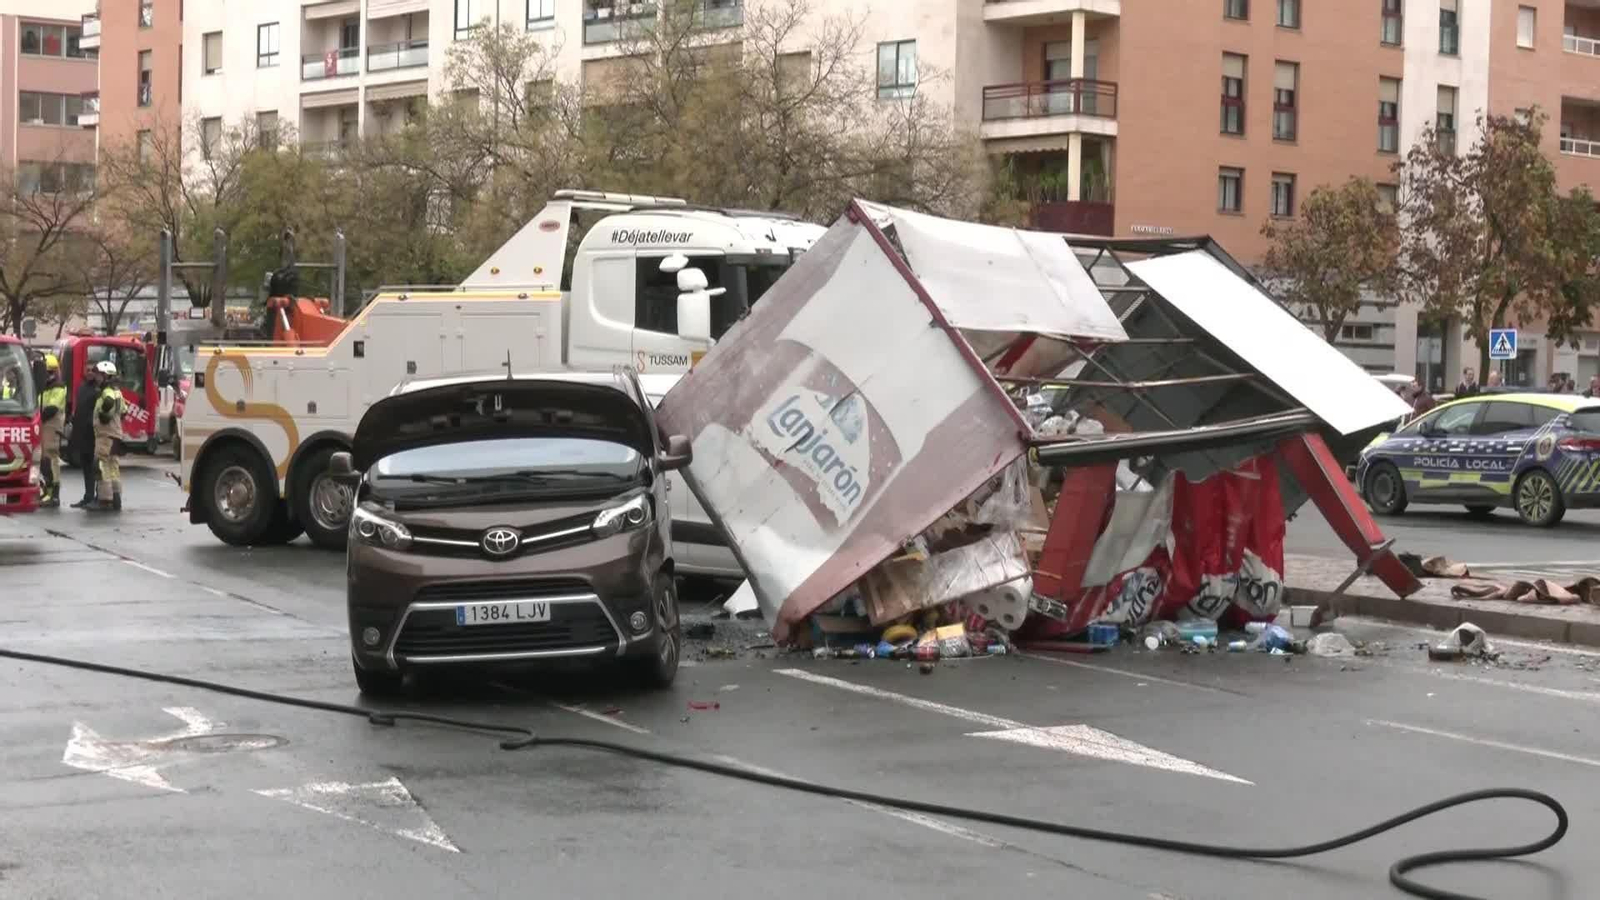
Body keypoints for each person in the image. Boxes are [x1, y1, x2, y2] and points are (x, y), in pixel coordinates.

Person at [90, 360, 126, 512]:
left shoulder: (108, 391)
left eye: (99, 375)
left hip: (105, 435)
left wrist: (104, 414)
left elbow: (109, 401)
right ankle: (116, 497)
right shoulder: (119, 392)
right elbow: (124, 411)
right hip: (116, 434)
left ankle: (104, 500)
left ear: (106, 376)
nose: (96, 378)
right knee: (113, 467)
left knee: (101, 465)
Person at [36, 354, 66, 508]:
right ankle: (47, 491)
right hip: (43, 425)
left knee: (51, 458)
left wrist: (38, 416)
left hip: (52, 426)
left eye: (48, 372)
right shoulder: (44, 387)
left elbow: (53, 408)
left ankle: (54, 495)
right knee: (43, 460)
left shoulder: (59, 387)